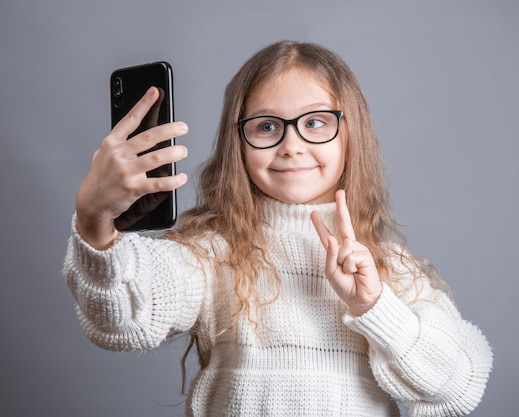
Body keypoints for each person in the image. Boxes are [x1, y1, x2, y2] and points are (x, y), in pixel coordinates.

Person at [64, 40, 493, 417]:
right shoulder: (213, 253)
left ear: (350, 134)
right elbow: (121, 321)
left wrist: (375, 307)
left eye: (316, 122)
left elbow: (456, 388)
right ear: (239, 141)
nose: (291, 144)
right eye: (267, 126)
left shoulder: (388, 268)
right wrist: (94, 222)